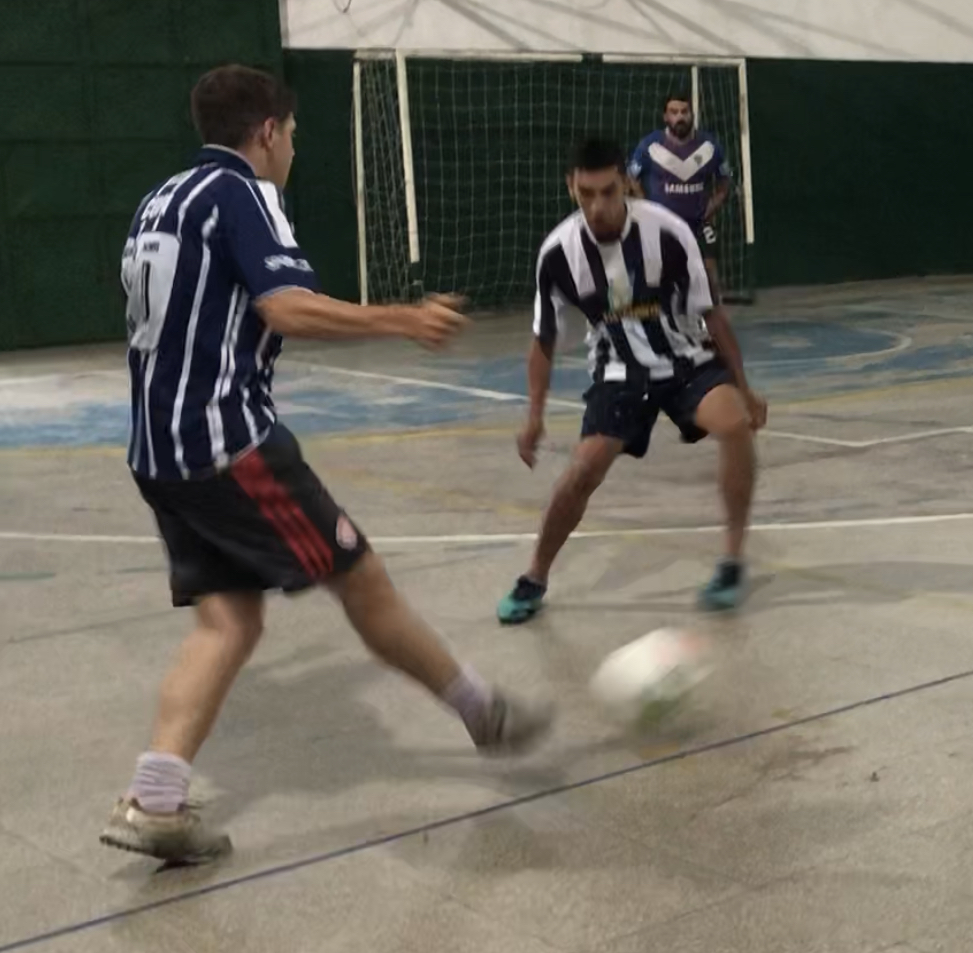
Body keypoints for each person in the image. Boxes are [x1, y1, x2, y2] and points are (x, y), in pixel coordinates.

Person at [106, 65, 551, 865]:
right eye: (292, 135)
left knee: (229, 621)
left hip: (158, 451)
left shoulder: (159, 201)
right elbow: (285, 307)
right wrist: (402, 320)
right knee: (361, 579)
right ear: (267, 131)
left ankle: (155, 801)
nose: (292, 150)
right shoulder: (242, 193)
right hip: (228, 445)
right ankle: (481, 711)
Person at [496, 138, 767, 624]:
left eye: (607, 191)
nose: (597, 206)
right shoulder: (558, 253)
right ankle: (535, 576)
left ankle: (730, 562)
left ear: (625, 182)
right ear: (571, 187)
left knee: (733, 426)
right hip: (617, 371)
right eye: (586, 194)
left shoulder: (669, 231)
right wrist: (533, 416)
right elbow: (543, 340)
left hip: (684, 359)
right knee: (583, 470)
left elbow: (712, 314)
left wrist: (743, 389)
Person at [628, 93, 734, 302]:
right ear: (665, 117)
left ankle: (713, 316)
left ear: (692, 114)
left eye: (684, 112)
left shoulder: (710, 147)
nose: (680, 117)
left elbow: (725, 182)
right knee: (655, 282)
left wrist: (711, 207)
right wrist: (646, 206)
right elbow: (630, 178)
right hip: (661, 227)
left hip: (698, 224)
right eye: (674, 112)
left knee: (710, 278)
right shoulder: (650, 146)